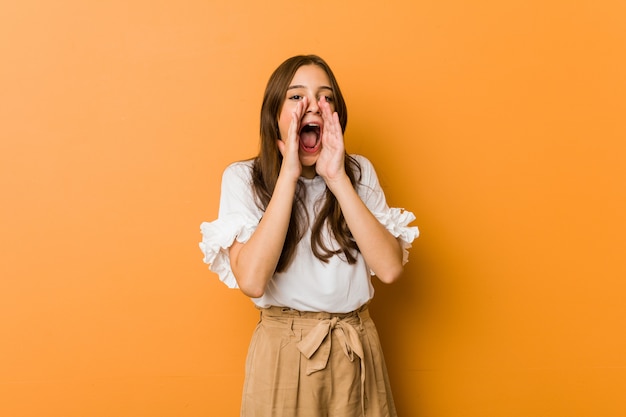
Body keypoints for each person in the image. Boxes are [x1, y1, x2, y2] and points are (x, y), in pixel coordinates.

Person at [200, 54, 419, 417]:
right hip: (284, 353)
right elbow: (252, 281)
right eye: (297, 96)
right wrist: (287, 176)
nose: (313, 105)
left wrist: (337, 179)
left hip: (356, 346)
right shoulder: (242, 178)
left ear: (336, 114)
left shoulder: (358, 173)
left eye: (326, 96)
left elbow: (391, 268)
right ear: (275, 115)